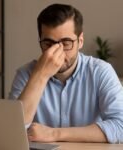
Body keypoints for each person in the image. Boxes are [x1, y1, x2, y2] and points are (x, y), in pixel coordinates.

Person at [9, 3, 123, 143]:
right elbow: (13, 130)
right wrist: (41, 75)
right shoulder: (25, 74)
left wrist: (54, 134)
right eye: (48, 43)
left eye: (66, 42)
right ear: (40, 41)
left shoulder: (101, 72)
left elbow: (120, 126)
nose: (57, 51)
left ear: (80, 41)